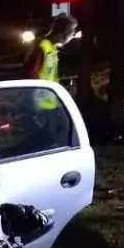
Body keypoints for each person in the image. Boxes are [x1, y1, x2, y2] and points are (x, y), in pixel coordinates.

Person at [22, 14, 78, 151]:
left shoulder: (52, 49)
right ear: (63, 32)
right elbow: (32, 74)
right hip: (39, 104)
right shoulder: (43, 48)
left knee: (58, 134)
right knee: (50, 138)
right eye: (70, 32)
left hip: (49, 101)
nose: (71, 36)